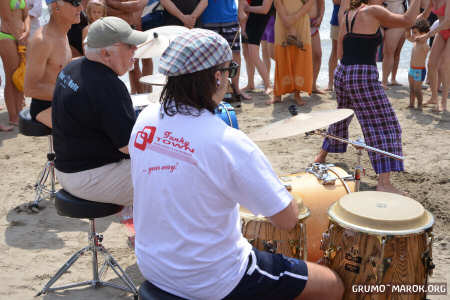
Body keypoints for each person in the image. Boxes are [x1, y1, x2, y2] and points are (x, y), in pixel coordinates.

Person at [129, 28, 344, 300]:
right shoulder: (225, 141)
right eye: (230, 69)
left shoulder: (145, 118)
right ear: (217, 76)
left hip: (153, 265)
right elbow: (287, 219)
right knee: (332, 284)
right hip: (212, 279)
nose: (231, 77)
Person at [315, 0, 421, 195]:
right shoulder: (374, 11)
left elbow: (340, 53)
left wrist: (358, 76)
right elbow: (408, 20)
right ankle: (384, 183)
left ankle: (320, 157)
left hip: (343, 72)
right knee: (386, 125)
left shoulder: (348, 13)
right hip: (361, 74)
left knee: (342, 116)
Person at [52, 16, 148, 206]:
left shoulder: (73, 66)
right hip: (88, 176)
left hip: (66, 167)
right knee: (170, 178)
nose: (135, 50)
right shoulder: (108, 86)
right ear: (106, 54)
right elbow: (130, 147)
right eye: (129, 46)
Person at [24, 0, 81, 129]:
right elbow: (29, 89)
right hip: (45, 107)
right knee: (92, 134)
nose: (81, 7)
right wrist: (73, 93)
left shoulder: (63, 34)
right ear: (56, 8)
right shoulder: (42, 41)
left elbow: (58, 67)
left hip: (63, 101)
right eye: (75, 3)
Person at [201, 0, 251, 103]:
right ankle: (212, 90)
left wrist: (241, 11)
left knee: (235, 53)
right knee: (210, 57)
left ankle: (236, 89)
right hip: (208, 18)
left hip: (231, 17)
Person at [270, 0, 314, 105]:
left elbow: (310, 2)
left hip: (301, 19)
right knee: (282, 55)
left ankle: (297, 93)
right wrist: (287, 21)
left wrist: (294, 18)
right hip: (282, 19)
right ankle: (278, 93)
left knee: (300, 55)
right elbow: (277, 3)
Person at [106, 0, 152, 94]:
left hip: (140, 26)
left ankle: (146, 93)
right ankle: (138, 93)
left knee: (147, 59)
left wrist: (115, 5)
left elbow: (138, 5)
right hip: (124, 29)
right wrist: (128, 9)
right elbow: (105, 9)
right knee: (133, 64)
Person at [0, 0, 29, 131]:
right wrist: (19, 40)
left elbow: (26, 15)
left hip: (21, 38)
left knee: (21, 75)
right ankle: (13, 116)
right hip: (7, 36)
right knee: (11, 77)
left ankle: (19, 111)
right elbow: (8, 18)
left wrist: (27, 31)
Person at [419, 0, 450, 112]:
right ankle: (434, 98)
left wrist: (428, 35)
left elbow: (447, 21)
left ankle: (444, 102)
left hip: (446, 26)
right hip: (442, 31)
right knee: (431, 64)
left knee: (443, 66)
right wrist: (410, 22)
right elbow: (425, 15)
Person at [242, 0, 274, 95]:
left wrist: (247, 8)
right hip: (247, 19)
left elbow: (265, 9)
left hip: (259, 20)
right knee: (246, 54)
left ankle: (268, 85)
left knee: (254, 55)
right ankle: (250, 84)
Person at [381, 0, 408, 88]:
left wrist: (409, 26)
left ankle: (388, 80)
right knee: (387, 52)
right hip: (380, 18)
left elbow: (412, 5)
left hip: (398, 18)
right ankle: (384, 80)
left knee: (393, 52)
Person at [406, 19, 430, 109]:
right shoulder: (415, 42)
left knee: (417, 90)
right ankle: (411, 104)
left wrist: (423, 38)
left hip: (419, 70)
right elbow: (407, 36)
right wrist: (407, 29)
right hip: (411, 69)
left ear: (423, 33)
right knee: (411, 88)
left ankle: (419, 104)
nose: (413, 35)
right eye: (413, 32)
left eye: (415, 33)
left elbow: (427, 49)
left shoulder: (425, 46)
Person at [310, 0, 325, 94]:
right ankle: (297, 86)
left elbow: (322, 5)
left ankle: (313, 85)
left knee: (317, 54)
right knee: (300, 57)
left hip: (313, 23)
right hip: (299, 23)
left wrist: (320, 18)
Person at [327, 0, 340, 91]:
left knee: (350, 52)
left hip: (354, 19)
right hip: (337, 20)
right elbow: (336, 1)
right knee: (335, 51)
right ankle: (331, 83)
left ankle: (343, 83)